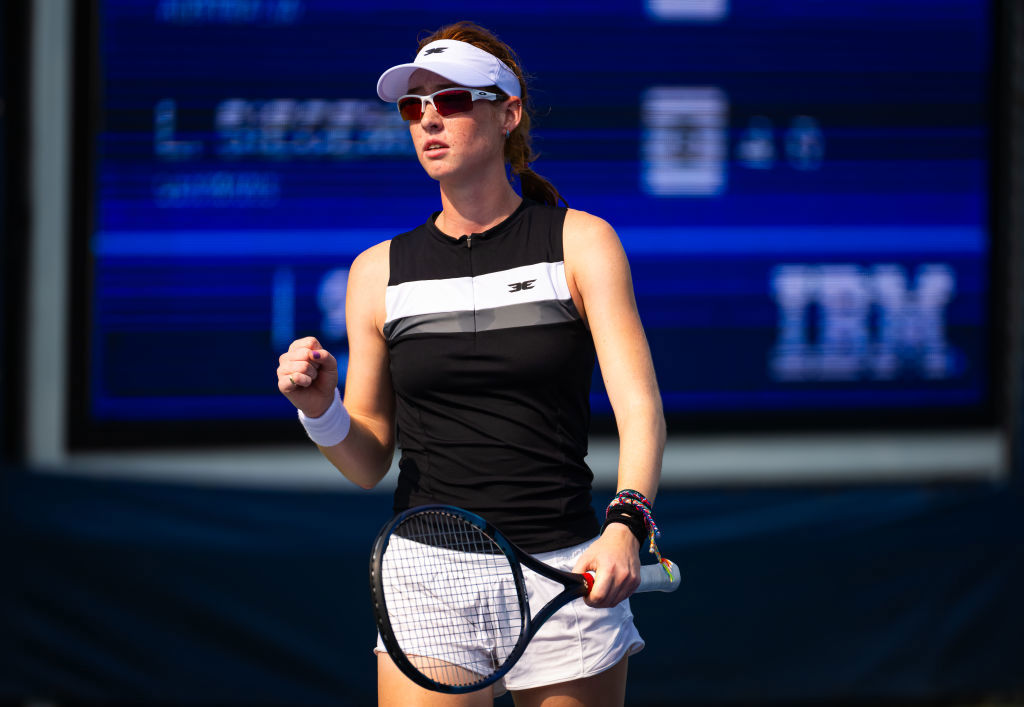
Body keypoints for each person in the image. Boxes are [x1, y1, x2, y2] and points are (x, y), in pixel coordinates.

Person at [276, 21, 666, 707]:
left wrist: (626, 524)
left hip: (566, 567)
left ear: (507, 112)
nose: (428, 120)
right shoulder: (376, 272)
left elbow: (639, 409)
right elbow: (369, 459)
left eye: (451, 99)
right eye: (413, 106)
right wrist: (319, 409)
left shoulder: (582, 243)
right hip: (427, 574)